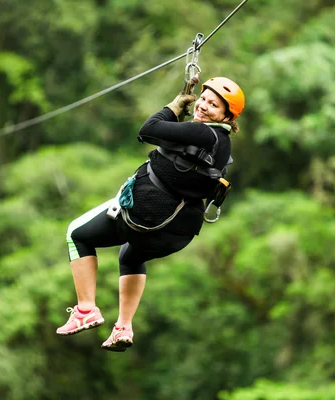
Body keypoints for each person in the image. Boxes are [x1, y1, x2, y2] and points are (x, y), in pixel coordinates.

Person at [56, 77, 245, 352]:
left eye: (213, 105)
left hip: (147, 215)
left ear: (227, 116)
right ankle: (124, 326)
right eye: (202, 99)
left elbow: (148, 129)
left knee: (77, 234)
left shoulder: (205, 134)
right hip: (176, 233)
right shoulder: (220, 144)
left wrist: (173, 107)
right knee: (131, 255)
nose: (203, 107)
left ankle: (86, 309)